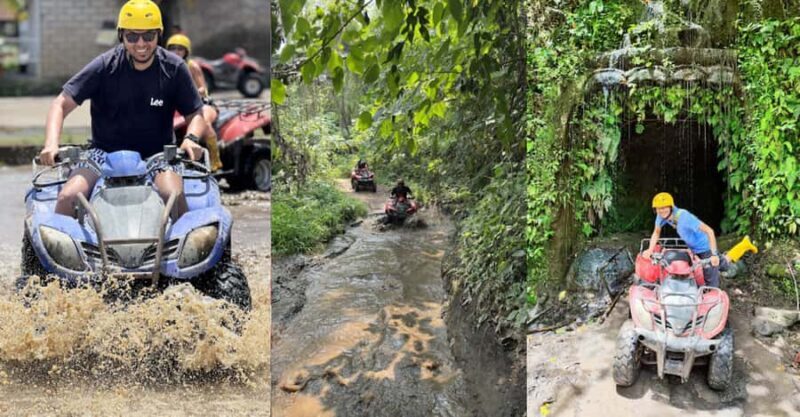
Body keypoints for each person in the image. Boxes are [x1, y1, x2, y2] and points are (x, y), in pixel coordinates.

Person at [40, 0, 206, 221]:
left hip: (156, 155)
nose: (141, 44)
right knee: (68, 197)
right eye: (132, 36)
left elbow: (196, 113)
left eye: (148, 36)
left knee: (173, 195)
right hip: (103, 154)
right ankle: (59, 252)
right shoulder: (104, 65)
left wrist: (192, 138)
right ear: (121, 36)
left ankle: (188, 252)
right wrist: (51, 143)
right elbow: (60, 104)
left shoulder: (175, 68)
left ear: (159, 35)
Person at [642, 192, 728, 287]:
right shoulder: (661, 216)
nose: (662, 211)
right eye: (658, 208)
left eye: (664, 208)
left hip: (705, 248)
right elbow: (656, 232)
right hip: (693, 248)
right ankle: (742, 246)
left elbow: (709, 231)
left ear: (671, 207)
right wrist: (650, 250)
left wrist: (714, 254)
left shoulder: (685, 217)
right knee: (724, 264)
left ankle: (730, 255)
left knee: (711, 283)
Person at [166, 33, 223, 171]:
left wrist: (194, 93)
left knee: (204, 122)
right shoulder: (166, 65)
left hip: (201, 103)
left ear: (186, 51)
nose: (176, 52)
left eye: (180, 49)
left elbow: (203, 88)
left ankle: (215, 160)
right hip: (178, 105)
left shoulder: (192, 66)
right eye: (173, 48)